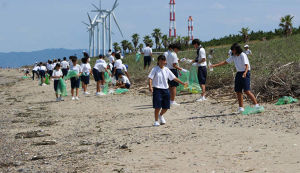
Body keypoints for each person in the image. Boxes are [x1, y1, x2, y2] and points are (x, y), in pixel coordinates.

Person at [210, 43, 260, 113]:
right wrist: (214, 65)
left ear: (236, 49)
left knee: (247, 91)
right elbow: (225, 62)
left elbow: (247, 65)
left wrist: (245, 73)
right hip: (239, 73)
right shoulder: (233, 56)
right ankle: (241, 108)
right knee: (238, 91)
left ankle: (256, 105)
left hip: (246, 72)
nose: (232, 51)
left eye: (233, 50)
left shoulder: (243, 55)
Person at [148, 55, 187, 127]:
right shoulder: (155, 69)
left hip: (166, 89)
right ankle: (156, 121)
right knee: (157, 106)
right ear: (158, 61)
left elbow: (174, 78)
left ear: (165, 61)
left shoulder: (166, 69)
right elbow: (150, 78)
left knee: (166, 107)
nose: (163, 62)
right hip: (157, 89)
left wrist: (182, 83)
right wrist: (150, 87)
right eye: (161, 60)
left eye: (164, 60)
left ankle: (161, 115)